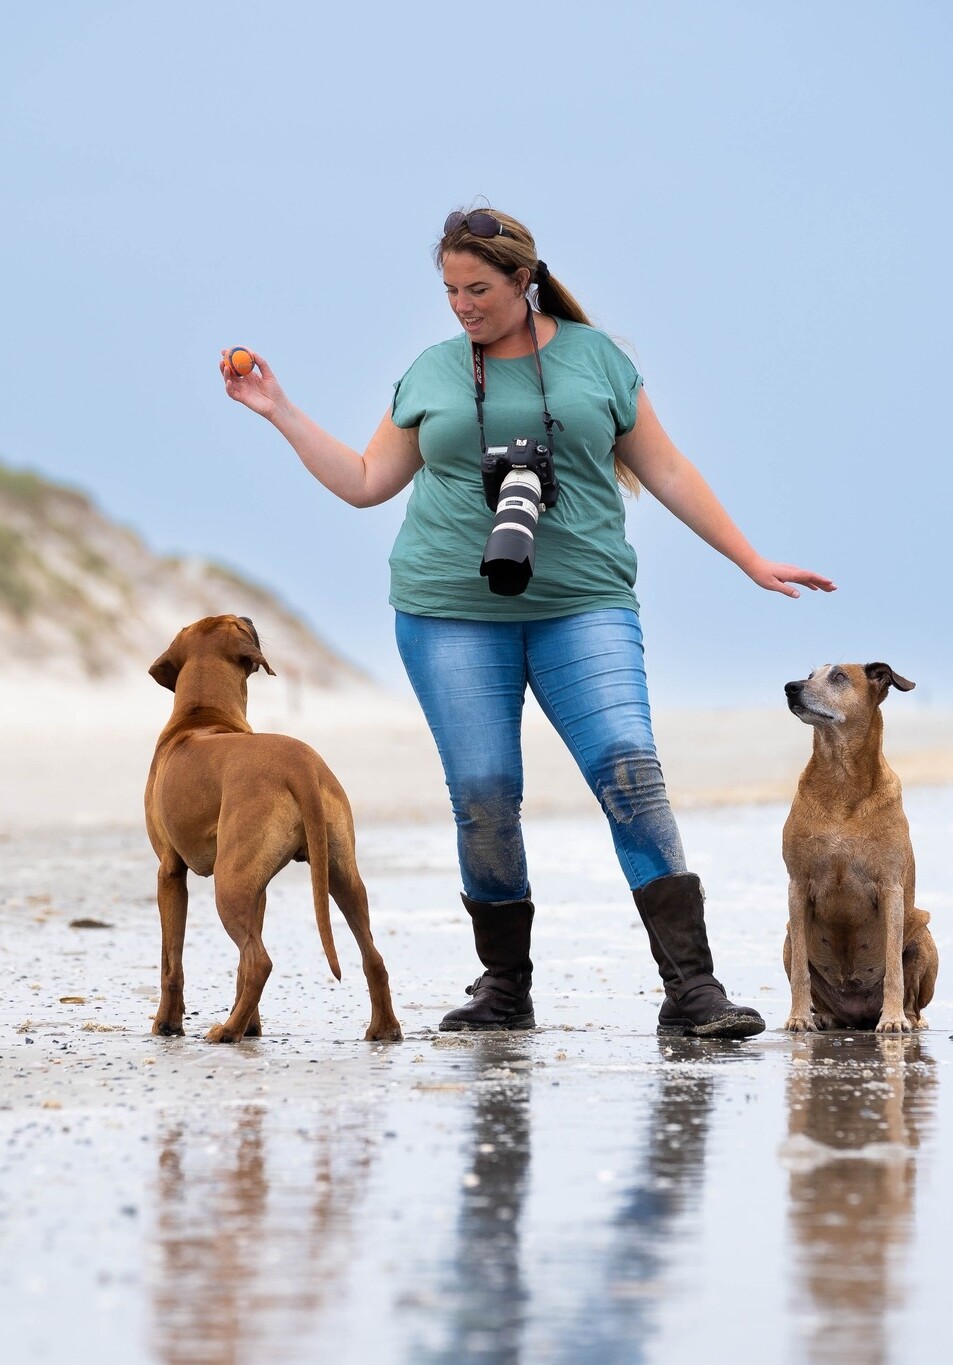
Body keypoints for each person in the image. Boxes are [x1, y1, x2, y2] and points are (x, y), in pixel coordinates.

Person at [222, 206, 836, 1041]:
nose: (461, 305)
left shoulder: (595, 361)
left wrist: (747, 557)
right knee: (483, 795)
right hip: (448, 610)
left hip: (582, 602)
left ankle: (692, 988)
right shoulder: (433, 372)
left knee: (628, 767)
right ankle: (503, 987)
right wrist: (279, 409)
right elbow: (367, 481)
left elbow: (667, 469)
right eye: (448, 290)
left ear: (524, 280)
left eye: (478, 288)